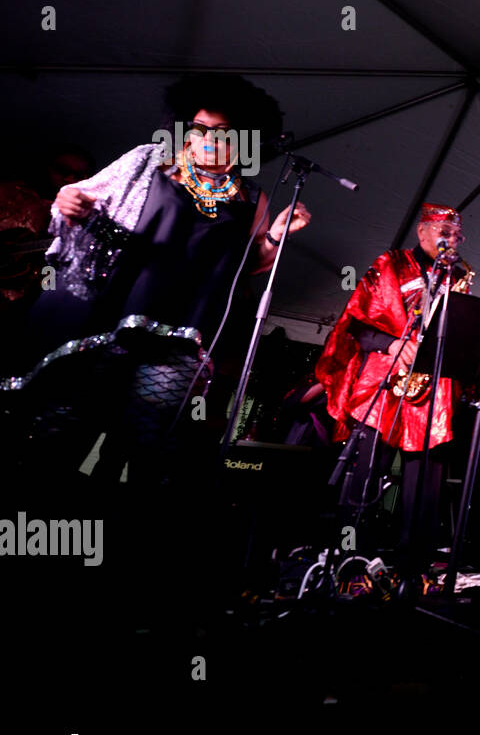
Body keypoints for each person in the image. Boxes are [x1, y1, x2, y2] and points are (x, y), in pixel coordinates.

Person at [9, 74, 310, 484]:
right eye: (198, 128)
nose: (204, 138)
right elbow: (76, 197)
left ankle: (114, 530)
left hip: (178, 339)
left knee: (146, 442)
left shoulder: (250, 198)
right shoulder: (149, 161)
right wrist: (69, 201)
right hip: (109, 322)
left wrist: (276, 234)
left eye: (219, 132)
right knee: (63, 430)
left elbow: (250, 263)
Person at [315, 203, 472, 576]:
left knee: (425, 487)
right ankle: (350, 562)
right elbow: (356, 325)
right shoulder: (390, 264)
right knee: (366, 477)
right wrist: (393, 344)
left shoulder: (459, 277)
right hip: (382, 385)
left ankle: (412, 567)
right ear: (422, 232)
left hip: (431, 392)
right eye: (443, 233)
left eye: (456, 235)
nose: (451, 241)